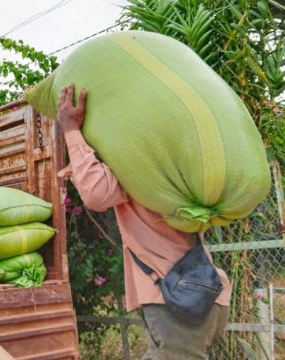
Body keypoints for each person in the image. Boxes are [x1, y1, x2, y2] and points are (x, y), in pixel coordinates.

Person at [57, 85, 231, 359]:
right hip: (204, 290)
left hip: (175, 296)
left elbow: (96, 193)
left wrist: (70, 128)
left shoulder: (140, 165)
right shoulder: (178, 156)